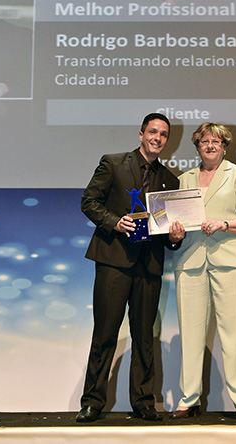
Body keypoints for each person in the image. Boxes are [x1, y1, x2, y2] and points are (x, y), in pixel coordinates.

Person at [77, 113, 184, 423]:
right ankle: (92, 402)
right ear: (141, 134)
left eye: (163, 134)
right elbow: (89, 201)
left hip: (148, 266)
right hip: (114, 260)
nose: (158, 138)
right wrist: (114, 222)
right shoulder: (113, 163)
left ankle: (143, 402)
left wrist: (175, 239)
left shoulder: (170, 181)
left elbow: (166, 231)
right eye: (153, 132)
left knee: (144, 337)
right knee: (105, 333)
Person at [169, 123, 236, 422]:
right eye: (204, 141)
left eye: (216, 141)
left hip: (231, 261)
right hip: (190, 262)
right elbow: (175, 223)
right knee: (190, 334)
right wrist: (173, 234)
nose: (210, 146)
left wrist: (224, 224)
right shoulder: (184, 180)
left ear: (225, 146)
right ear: (197, 147)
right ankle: (188, 398)